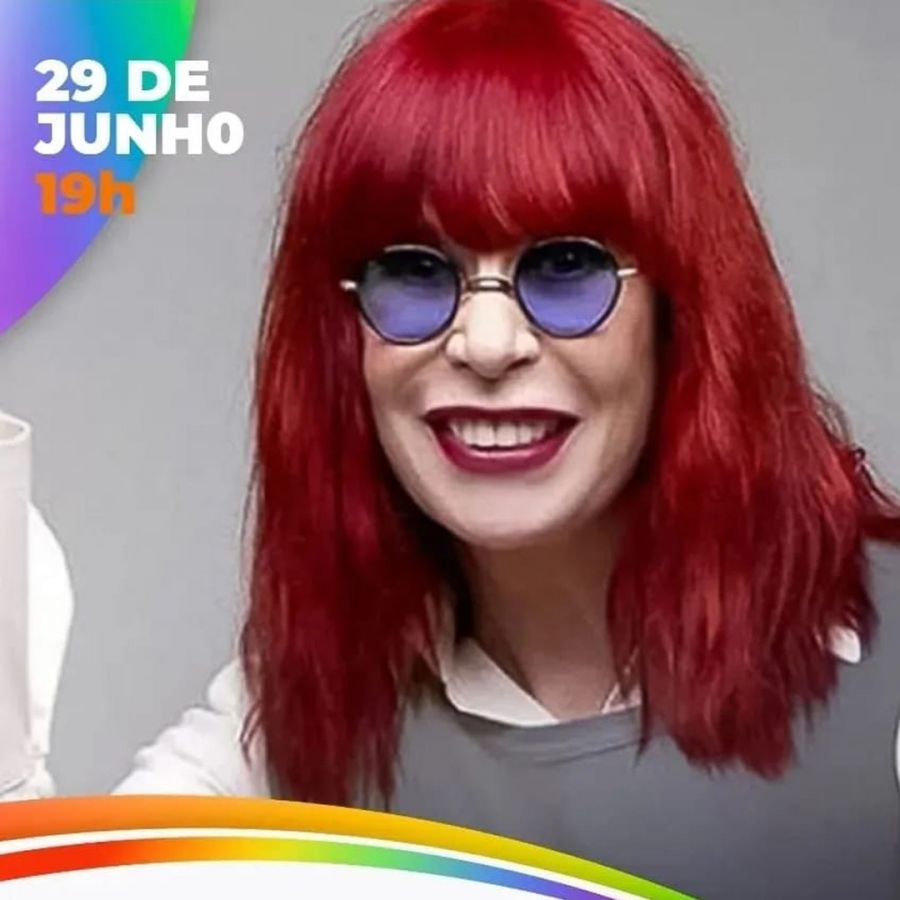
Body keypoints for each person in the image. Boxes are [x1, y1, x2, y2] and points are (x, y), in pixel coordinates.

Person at [3, 0, 900, 896]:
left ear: (681, 312)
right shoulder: (304, 710)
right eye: (415, 271)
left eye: (564, 266)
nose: (486, 343)